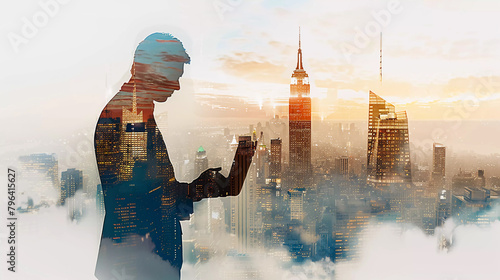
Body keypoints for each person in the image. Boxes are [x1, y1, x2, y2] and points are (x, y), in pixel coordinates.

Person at [94, 32, 256, 280]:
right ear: (152, 68)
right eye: (174, 76)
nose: (177, 86)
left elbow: (146, 191)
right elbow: (135, 201)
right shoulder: (131, 116)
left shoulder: (135, 111)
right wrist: (194, 190)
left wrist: (197, 188)